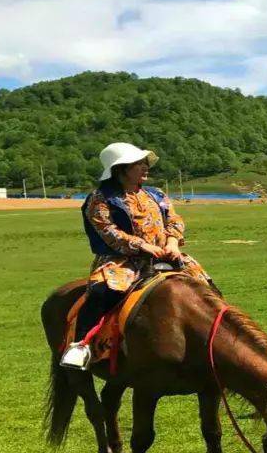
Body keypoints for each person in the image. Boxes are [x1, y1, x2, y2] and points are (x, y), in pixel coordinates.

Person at [59, 143, 210, 370]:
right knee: (102, 291)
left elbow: (174, 220)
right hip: (123, 260)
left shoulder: (156, 194)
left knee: (206, 285)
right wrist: (142, 246)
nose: (145, 167)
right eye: (138, 163)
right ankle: (81, 345)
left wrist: (172, 242)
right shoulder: (100, 199)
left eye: (144, 163)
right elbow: (108, 230)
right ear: (121, 169)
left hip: (167, 255)